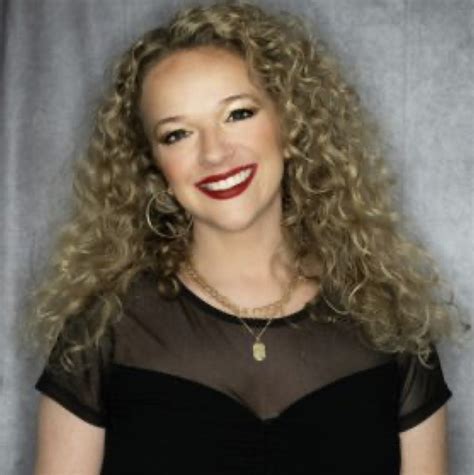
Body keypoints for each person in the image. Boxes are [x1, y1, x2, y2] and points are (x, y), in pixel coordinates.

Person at [24, 1, 469, 474]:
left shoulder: (390, 326)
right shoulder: (103, 331)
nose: (214, 153)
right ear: (153, 167)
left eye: (238, 114)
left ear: (291, 126)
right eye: (177, 134)